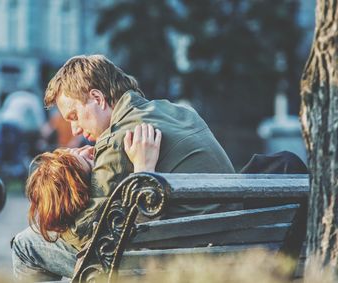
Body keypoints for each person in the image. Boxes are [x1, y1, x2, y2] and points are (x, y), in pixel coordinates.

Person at [13, 55, 236, 281]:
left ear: (97, 98)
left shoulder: (121, 138)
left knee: (26, 245)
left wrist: (55, 219)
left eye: (74, 116)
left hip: (174, 258)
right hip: (227, 245)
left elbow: (88, 233)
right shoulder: (179, 112)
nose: (75, 130)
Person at [12, 124, 161, 281]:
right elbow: (140, 236)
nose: (89, 149)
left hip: (122, 263)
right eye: (88, 160)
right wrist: (144, 170)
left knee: (24, 244)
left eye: (76, 151)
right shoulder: (102, 211)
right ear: (84, 195)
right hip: (131, 266)